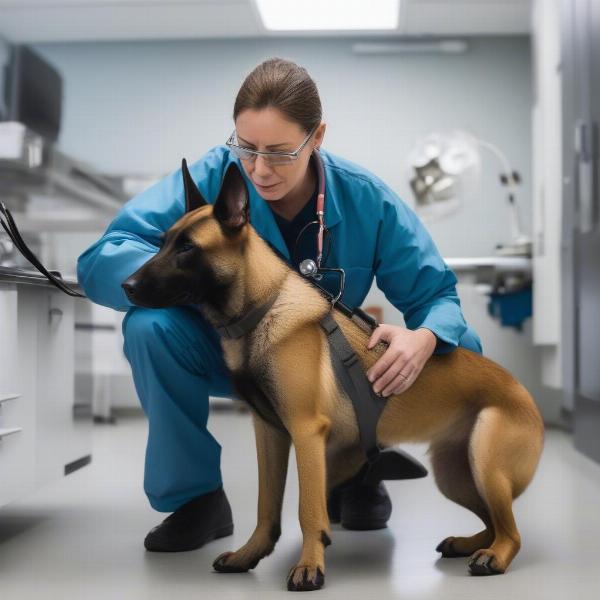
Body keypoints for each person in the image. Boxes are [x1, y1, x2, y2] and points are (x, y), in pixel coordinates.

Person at [77, 57, 483, 552]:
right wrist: (189, 282)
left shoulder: (366, 201)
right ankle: (197, 497)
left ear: (317, 137)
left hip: (327, 373)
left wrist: (423, 337)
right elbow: (104, 255)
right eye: (245, 148)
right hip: (226, 354)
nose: (259, 170)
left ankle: (358, 466)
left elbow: (437, 297)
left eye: (280, 152)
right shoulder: (212, 177)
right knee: (149, 327)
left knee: (459, 349)